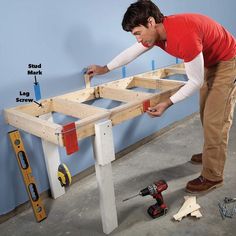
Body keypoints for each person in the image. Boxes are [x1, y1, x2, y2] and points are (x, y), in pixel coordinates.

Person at [86, 0, 236, 193]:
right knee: (205, 111)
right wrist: (104, 68)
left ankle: (213, 176)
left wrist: (167, 103)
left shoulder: (184, 35)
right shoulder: (157, 31)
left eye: (138, 33)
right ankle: (211, 154)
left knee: (216, 119)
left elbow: (194, 82)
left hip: (227, 61)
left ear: (150, 22)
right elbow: (132, 52)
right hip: (210, 61)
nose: (138, 40)